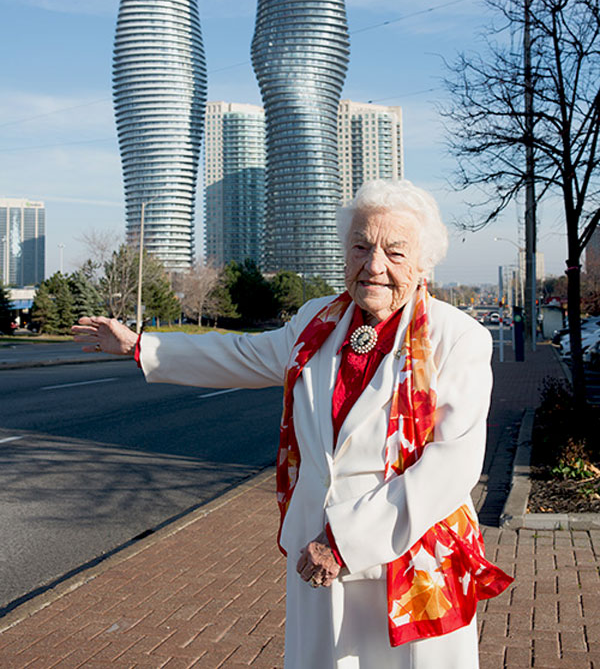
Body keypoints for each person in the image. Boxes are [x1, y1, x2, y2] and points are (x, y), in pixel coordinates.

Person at [72, 179, 512, 668]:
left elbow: (451, 465)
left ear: (424, 264)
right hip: (316, 550)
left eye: (395, 253)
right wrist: (140, 346)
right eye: (361, 247)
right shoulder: (316, 321)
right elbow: (243, 354)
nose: (374, 266)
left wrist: (344, 540)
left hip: (407, 551)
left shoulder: (457, 337)